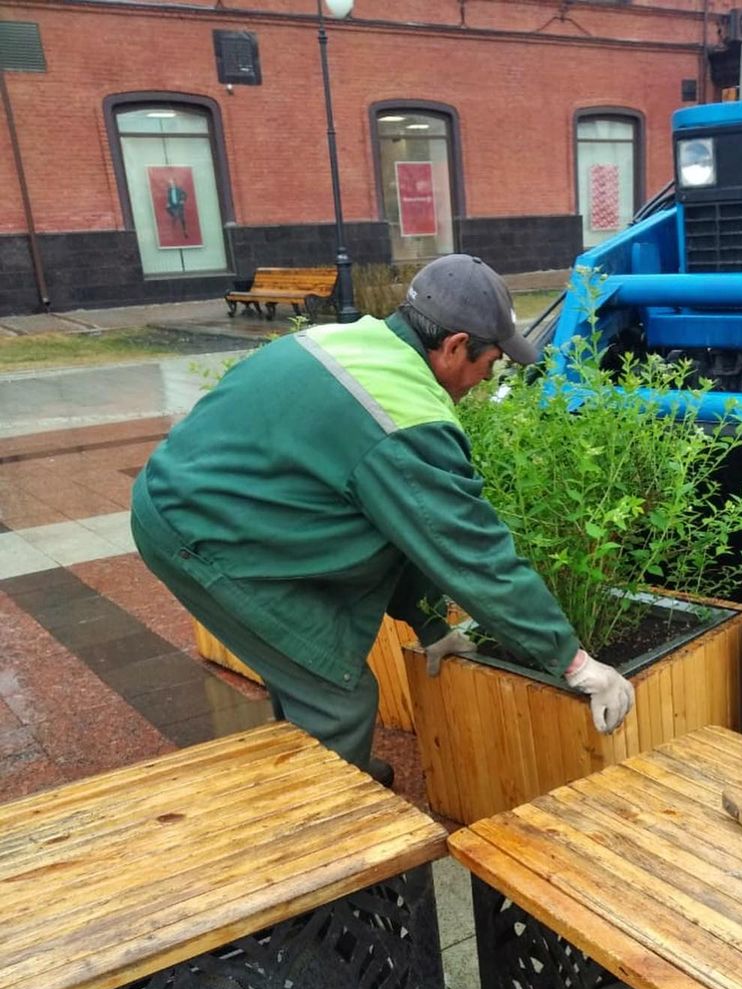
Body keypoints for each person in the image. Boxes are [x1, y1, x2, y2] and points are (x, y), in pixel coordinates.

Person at [130, 253, 634, 788]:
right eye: (489, 365)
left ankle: (321, 766)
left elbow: (407, 528)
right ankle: (336, 834)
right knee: (337, 693)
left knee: (302, 664)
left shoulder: (352, 341)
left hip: (199, 498)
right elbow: (472, 554)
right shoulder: (406, 419)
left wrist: (432, 625)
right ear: (456, 345)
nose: (485, 381)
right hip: (200, 532)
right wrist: (576, 665)